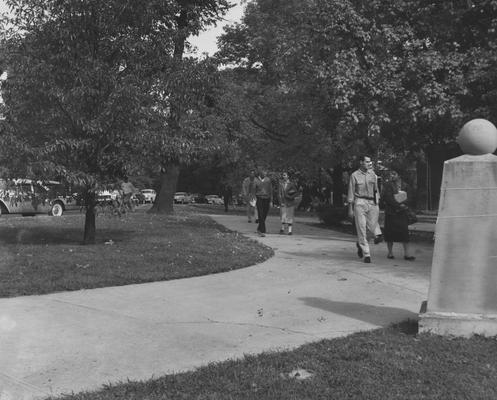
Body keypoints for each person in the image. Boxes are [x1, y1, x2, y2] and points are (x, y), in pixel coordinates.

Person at [347, 155, 383, 263]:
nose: (369, 163)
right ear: (361, 162)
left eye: (370, 162)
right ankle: (367, 254)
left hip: (372, 202)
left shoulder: (373, 175)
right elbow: (351, 191)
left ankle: (360, 243)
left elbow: (376, 190)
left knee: (372, 227)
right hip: (360, 202)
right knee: (361, 227)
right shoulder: (354, 175)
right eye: (367, 161)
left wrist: (378, 203)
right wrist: (350, 208)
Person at [381, 170, 415, 261]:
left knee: (405, 233)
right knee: (389, 234)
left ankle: (407, 254)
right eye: (390, 174)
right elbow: (387, 197)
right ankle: (390, 253)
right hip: (391, 212)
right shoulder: (387, 185)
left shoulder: (405, 185)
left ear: (399, 175)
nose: (392, 175)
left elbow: (410, 197)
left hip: (402, 212)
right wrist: (398, 205)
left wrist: (404, 204)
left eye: (394, 174)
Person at [255, 169, 272, 237]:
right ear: (260, 173)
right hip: (259, 198)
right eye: (264, 172)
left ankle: (259, 228)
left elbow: (271, 190)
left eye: (266, 172)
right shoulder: (256, 180)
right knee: (260, 214)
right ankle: (262, 231)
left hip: (267, 198)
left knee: (264, 214)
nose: (265, 173)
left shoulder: (268, 180)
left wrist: (271, 200)